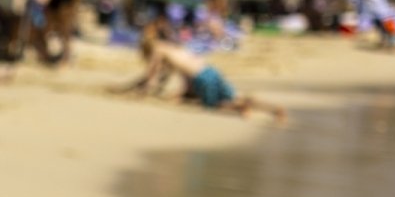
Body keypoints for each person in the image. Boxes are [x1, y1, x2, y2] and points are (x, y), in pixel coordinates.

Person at [120, 23, 284, 123]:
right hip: (210, 70)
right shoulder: (174, 48)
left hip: (201, 78)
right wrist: (181, 92)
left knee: (214, 104)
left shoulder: (158, 50)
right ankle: (273, 109)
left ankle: (241, 108)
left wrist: (140, 91)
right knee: (235, 96)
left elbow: (151, 77)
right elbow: (177, 75)